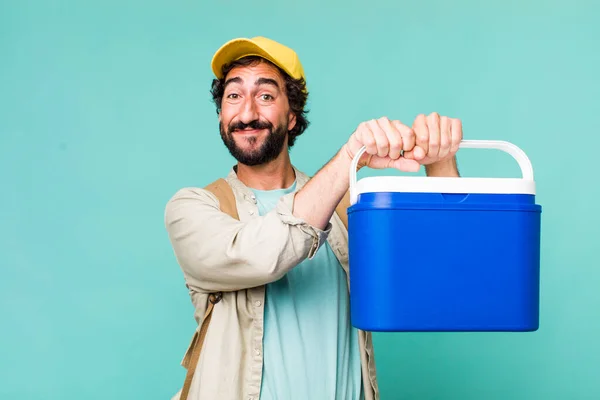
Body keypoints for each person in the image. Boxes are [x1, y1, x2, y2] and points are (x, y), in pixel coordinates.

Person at [164, 36, 463, 400]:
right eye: (233, 96)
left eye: (265, 95)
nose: (246, 113)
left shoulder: (347, 208)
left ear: (292, 117)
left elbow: (440, 274)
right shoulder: (195, 208)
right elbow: (261, 255)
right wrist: (350, 156)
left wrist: (441, 162)